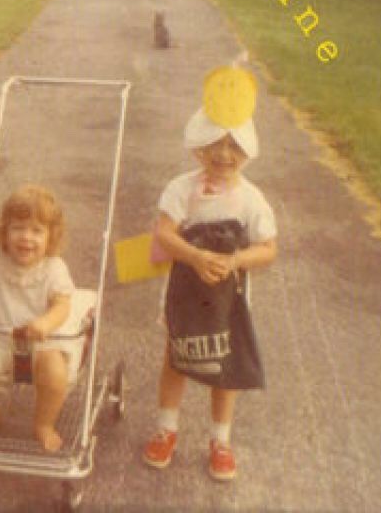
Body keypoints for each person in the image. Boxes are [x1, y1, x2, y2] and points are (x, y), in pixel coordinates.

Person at [142, 97, 277, 481]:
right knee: (176, 356)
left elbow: (268, 248)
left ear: (248, 150)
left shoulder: (251, 200)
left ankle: (221, 440)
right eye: (215, 143)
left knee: (224, 364)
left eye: (234, 145)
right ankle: (166, 429)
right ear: (199, 144)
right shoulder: (181, 189)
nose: (224, 154)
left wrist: (235, 261)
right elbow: (164, 234)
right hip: (184, 291)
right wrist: (195, 256)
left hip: (227, 299)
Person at [0, 185, 76, 452]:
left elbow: (62, 305)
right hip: (1, 338)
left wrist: (46, 322)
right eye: (18, 228)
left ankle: (44, 424)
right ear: (5, 232)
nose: (26, 238)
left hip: (43, 344)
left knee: (56, 377)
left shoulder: (54, 269)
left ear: (51, 237)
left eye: (36, 231)